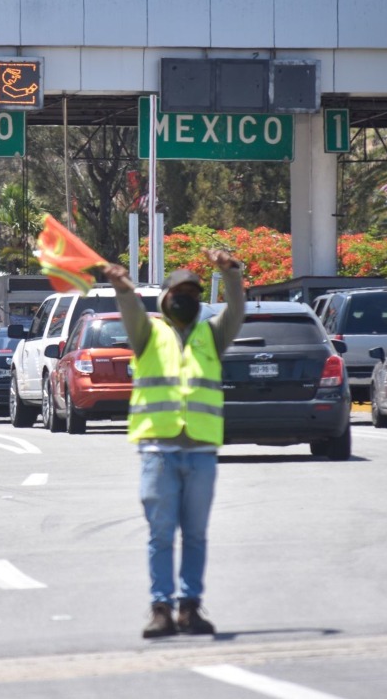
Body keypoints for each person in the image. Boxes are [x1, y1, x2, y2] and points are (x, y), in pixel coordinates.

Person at [105, 249, 245, 639]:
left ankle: (190, 608)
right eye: (179, 292)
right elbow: (130, 309)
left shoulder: (212, 335)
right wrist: (123, 289)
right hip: (159, 452)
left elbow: (236, 310)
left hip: (201, 452)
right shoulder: (147, 334)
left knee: (196, 535)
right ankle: (161, 609)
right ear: (164, 298)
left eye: (193, 294)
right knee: (161, 535)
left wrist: (231, 273)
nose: (187, 298)